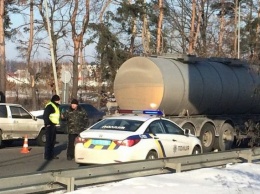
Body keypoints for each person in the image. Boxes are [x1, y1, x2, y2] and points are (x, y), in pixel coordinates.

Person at [43, 94, 60, 160]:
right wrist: (47, 123)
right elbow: (45, 115)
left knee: (53, 141)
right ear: (56, 100)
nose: (59, 102)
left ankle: (51, 155)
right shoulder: (50, 106)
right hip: (49, 125)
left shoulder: (55, 106)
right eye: (58, 100)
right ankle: (47, 156)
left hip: (53, 125)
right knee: (49, 141)